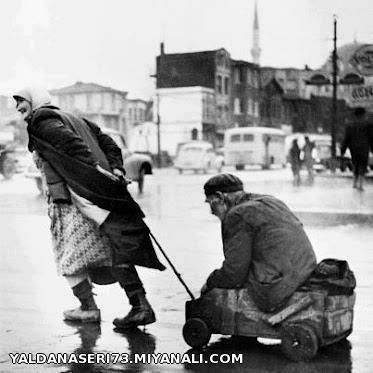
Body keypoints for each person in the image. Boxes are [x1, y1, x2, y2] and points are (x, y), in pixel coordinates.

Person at [13, 86, 165, 328]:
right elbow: (110, 143)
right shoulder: (75, 118)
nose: (20, 111)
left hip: (73, 199)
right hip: (96, 199)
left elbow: (72, 146)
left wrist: (94, 170)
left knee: (68, 257)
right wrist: (115, 169)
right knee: (111, 250)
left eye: (23, 105)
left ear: (35, 102)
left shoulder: (41, 121)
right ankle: (140, 305)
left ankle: (88, 308)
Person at [201, 173, 317, 312]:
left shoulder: (236, 215)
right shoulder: (271, 201)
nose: (211, 212)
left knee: (234, 280)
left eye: (210, 203)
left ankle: (241, 330)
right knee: (249, 268)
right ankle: (241, 334)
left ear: (220, 197)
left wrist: (210, 283)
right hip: (306, 271)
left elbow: (234, 272)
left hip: (278, 285)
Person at [341, 107, 371, 191]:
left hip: (353, 148)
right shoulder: (367, 124)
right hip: (364, 148)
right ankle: (360, 184)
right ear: (363, 114)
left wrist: (343, 149)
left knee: (355, 164)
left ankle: (354, 182)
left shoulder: (350, 125)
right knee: (362, 165)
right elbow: (371, 137)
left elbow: (346, 138)